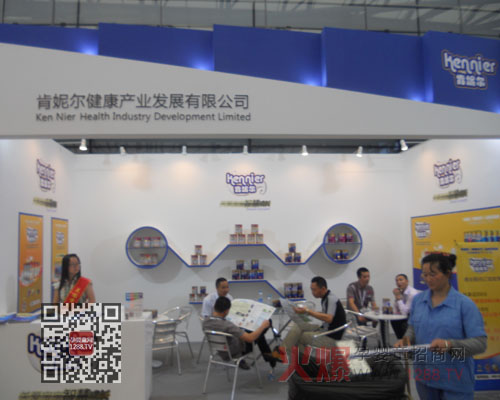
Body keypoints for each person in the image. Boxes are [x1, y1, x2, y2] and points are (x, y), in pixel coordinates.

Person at [395, 252, 487, 400]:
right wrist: (406, 339)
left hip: (455, 380)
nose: (428, 279)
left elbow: (480, 344)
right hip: (425, 378)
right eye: (425, 275)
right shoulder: (419, 301)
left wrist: (450, 345)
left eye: (433, 274)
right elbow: (412, 328)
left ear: (447, 273)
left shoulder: (464, 305)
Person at [273, 276, 347, 356]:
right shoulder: (325, 298)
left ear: (323, 289)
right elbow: (325, 316)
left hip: (331, 337)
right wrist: (305, 312)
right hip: (325, 329)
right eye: (311, 289)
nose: (312, 292)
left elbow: (328, 318)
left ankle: (294, 358)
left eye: (314, 290)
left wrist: (308, 311)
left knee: (299, 337)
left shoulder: (331, 299)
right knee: (299, 325)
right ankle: (283, 352)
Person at [202, 296, 276, 369]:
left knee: (255, 332)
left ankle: (268, 356)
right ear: (227, 311)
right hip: (235, 351)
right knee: (263, 327)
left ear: (215, 307)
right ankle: (268, 356)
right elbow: (250, 339)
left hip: (219, 350)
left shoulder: (205, 322)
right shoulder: (227, 325)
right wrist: (262, 326)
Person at [390, 273, 419, 339]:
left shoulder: (412, 293)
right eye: (397, 280)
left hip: (414, 318)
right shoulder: (401, 291)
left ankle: (405, 341)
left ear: (407, 281)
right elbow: (395, 310)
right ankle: (401, 340)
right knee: (393, 320)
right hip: (407, 316)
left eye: (401, 280)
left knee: (399, 322)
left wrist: (398, 297)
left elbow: (404, 313)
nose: (398, 282)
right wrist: (397, 297)